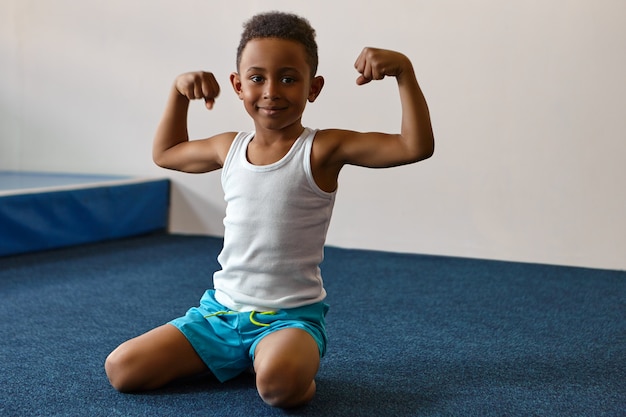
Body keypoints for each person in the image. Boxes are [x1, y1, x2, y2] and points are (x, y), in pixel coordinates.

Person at [104, 11, 434, 409]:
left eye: (288, 78)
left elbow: (414, 146)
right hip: (220, 314)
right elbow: (166, 154)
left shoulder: (323, 149)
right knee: (122, 369)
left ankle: (276, 363)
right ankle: (240, 356)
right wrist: (177, 92)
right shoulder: (228, 148)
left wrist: (405, 73)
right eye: (257, 78)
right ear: (237, 86)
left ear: (313, 88)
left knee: (279, 388)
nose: (271, 90)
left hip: (290, 318)